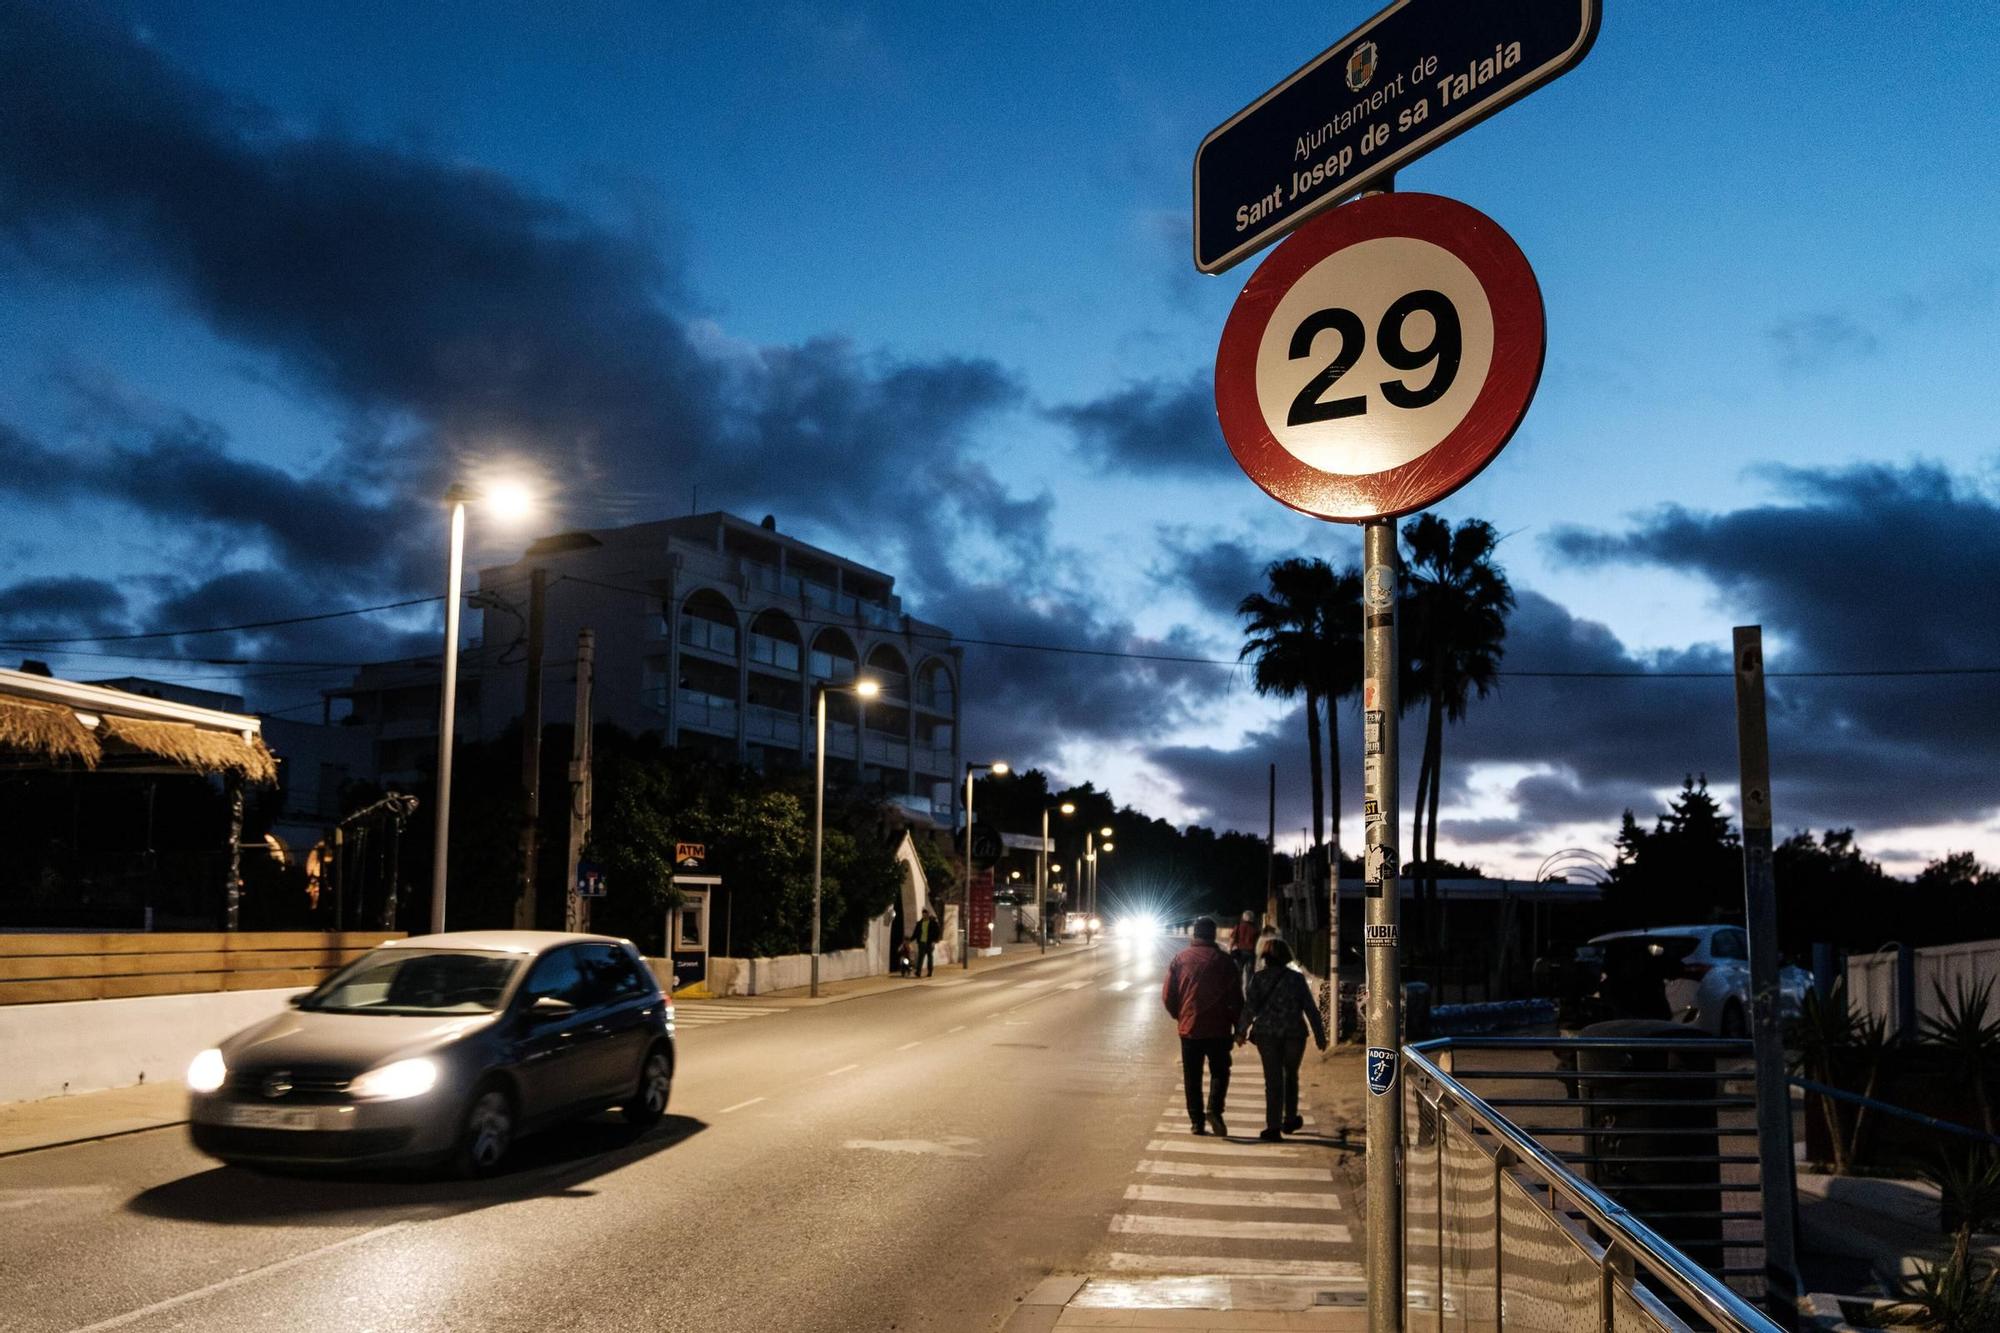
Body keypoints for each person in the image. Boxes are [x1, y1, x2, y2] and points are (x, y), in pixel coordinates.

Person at [1236, 936, 1327, 1140]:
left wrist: (1241, 1032)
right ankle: (1290, 1119)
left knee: (1273, 1080)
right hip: (1294, 1034)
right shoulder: (1297, 979)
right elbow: (1310, 1008)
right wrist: (1320, 1036)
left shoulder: (1259, 978)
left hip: (1267, 1035)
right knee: (1290, 1076)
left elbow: (1250, 1008)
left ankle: (1273, 1127)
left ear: (1265, 957)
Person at [1163, 917, 1244, 1137]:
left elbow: (1168, 995)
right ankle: (1214, 1110)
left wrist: (1180, 1015)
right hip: (1219, 1028)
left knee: (1192, 1076)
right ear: (1214, 935)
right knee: (1220, 1071)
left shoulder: (1180, 959)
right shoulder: (1225, 962)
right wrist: (1239, 1026)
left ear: (1194, 934)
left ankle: (1196, 1122)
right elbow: (1236, 998)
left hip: (1190, 1029)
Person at [912, 907, 941, 978]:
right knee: (920, 958)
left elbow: (937, 932)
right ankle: (918, 972)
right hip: (921, 942)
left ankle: (930, 972)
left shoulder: (933, 923)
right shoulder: (920, 923)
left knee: (929, 957)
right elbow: (916, 933)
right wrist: (910, 939)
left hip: (929, 943)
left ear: (928, 915)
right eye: (923, 915)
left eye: (926, 915)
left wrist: (935, 941)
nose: (924, 916)